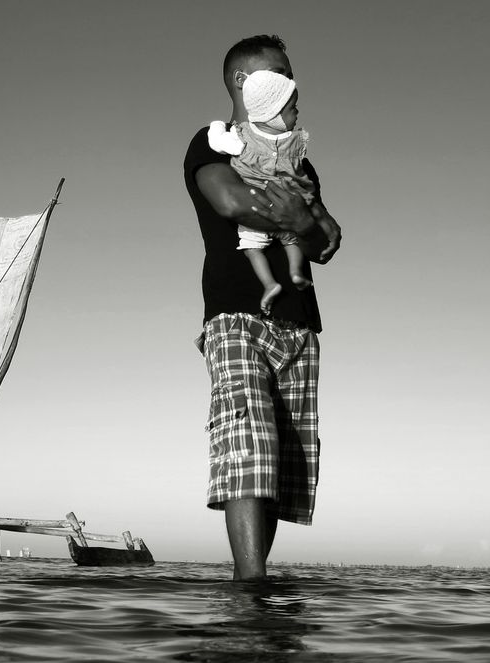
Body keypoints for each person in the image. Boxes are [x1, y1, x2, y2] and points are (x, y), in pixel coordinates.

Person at [183, 34, 342, 581]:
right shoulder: (213, 142)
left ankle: (257, 589)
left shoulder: (298, 156)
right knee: (246, 444)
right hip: (234, 314)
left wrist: (310, 224)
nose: (293, 85)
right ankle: (250, 593)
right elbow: (229, 199)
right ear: (242, 82)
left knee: (279, 466)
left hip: (299, 323)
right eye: (280, 73)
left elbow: (329, 241)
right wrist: (300, 221)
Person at [207, 69, 314, 314]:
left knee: (252, 248)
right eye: (291, 108)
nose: (297, 112)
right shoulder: (295, 145)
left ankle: (269, 283)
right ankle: (295, 271)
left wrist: (216, 127)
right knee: (292, 241)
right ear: (272, 112)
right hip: (288, 206)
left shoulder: (242, 137)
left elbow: (219, 142)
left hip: (259, 203)